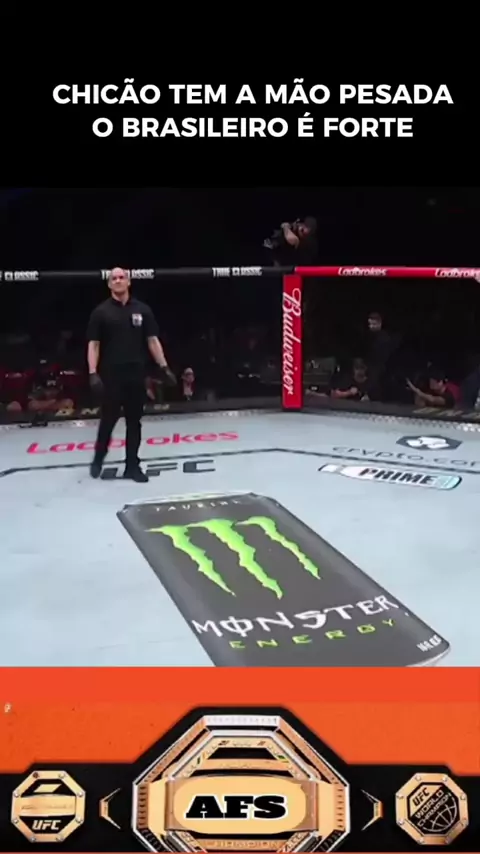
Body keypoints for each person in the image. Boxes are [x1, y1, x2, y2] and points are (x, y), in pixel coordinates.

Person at [86, 267, 175, 482]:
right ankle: (99, 457)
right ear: (109, 284)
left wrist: (164, 367)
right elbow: (94, 344)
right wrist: (92, 372)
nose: (118, 281)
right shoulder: (101, 312)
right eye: (114, 278)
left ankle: (132, 466)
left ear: (128, 281)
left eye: (121, 277)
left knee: (134, 422)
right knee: (108, 420)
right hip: (111, 374)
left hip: (136, 374)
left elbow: (152, 340)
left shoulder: (142, 310)